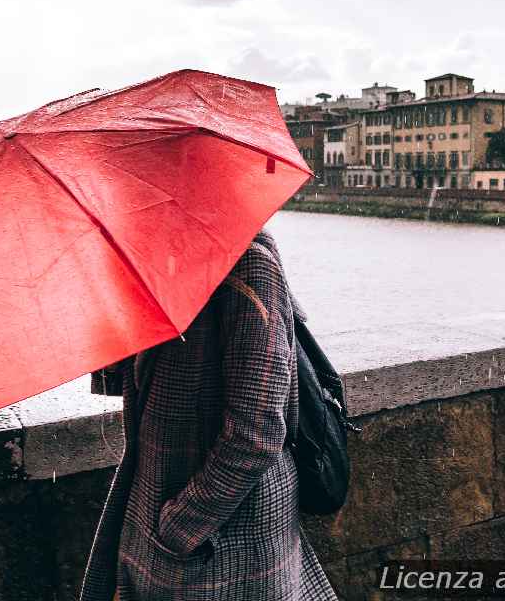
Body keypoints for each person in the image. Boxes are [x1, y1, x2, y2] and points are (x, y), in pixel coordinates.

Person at [80, 227, 339, 601]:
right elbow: (127, 383)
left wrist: (181, 526)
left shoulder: (248, 266)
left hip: (224, 542)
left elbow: (257, 434)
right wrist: (116, 291)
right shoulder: (167, 264)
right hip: (164, 523)